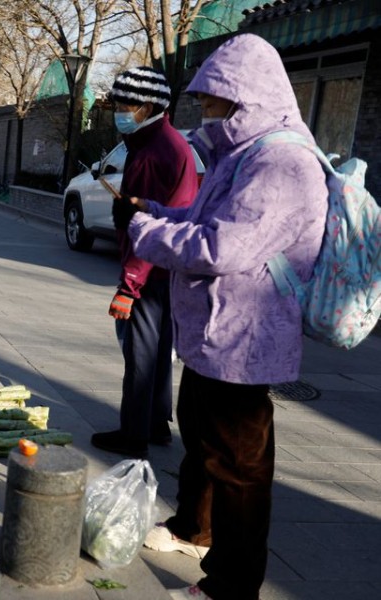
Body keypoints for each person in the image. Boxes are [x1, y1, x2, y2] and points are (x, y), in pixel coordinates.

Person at [119, 34, 326, 600]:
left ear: (247, 100)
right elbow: (205, 217)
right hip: (216, 333)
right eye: (204, 103)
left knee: (240, 467)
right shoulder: (244, 154)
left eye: (214, 104)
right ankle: (194, 528)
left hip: (246, 339)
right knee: (204, 440)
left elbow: (224, 247)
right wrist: (159, 213)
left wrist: (146, 232)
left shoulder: (282, 161)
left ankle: (232, 585)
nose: (205, 115)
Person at [90, 67, 199, 459]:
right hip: (168, 265)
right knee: (158, 345)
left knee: (140, 350)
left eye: (127, 105)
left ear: (149, 106)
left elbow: (144, 228)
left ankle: (134, 434)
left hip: (151, 267)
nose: (120, 111)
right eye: (117, 104)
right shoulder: (165, 142)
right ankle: (155, 423)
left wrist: (128, 286)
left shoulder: (153, 153)